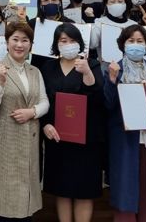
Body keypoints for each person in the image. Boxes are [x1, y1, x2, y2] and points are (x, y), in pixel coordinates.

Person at [0, 22, 49, 220]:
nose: (19, 45)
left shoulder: (35, 71)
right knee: (3, 195)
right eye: (15, 40)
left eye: (25, 40)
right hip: (5, 141)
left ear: (30, 45)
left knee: (26, 196)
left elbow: (45, 101)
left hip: (29, 139)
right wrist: (1, 82)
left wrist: (32, 112)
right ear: (7, 42)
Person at [39, 23, 105, 222]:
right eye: (63, 41)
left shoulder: (91, 64)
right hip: (58, 137)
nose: (68, 44)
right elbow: (41, 99)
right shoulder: (47, 67)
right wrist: (45, 124)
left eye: (73, 40)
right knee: (62, 189)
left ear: (80, 43)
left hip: (86, 139)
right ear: (56, 44)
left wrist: (87, 73)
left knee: (84, 190)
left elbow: (98, 98)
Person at [104, 24, 146, 221]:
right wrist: (112, 80)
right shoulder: (114, 69)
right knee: (125, 192)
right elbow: (107, 105)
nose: (135, 45)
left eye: (140, 41)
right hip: (124, 140)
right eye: (131, 41)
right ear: (123, 44)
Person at [28, 0, 75, 68]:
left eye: (54, 0)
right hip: (39, 68)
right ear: (40, 4)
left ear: (60, 2)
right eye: (45, 0)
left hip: (64, 68)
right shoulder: (32, 24)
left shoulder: (70, 24)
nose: (50, 3)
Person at [90, 0, 138, 66]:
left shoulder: (134, 25)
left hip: (131, 67)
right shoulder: (100, 22)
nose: (117, 4)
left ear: (125, 3)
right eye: (112, 2)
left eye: (120, 1)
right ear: (106, 4)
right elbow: (93, 44)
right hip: (107, 67)